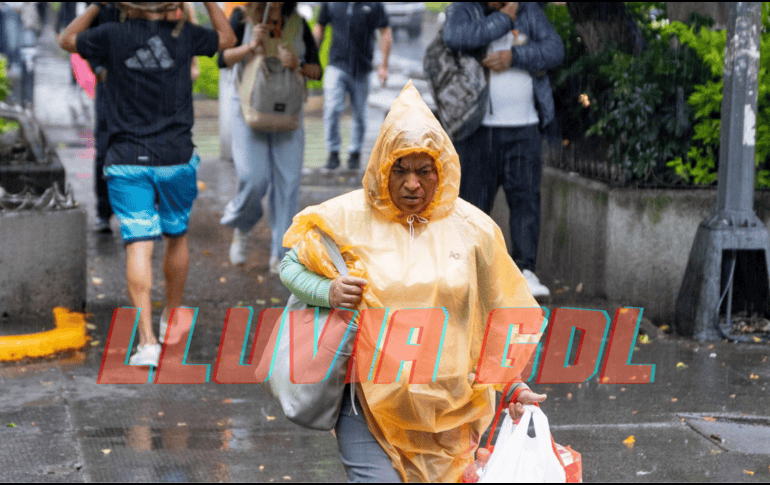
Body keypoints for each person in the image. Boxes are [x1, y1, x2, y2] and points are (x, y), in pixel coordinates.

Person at [280, 82, 546, 482]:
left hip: (450, 413)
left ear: (442, 170)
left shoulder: (474, 231)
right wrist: (328, 291)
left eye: (424, 171)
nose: (411, 184)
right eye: (400, 170)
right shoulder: (346, 219)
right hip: (366, 406)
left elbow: (496, 313)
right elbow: (291, 265)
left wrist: (510, 385)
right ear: (382, 168)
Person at [59, 2, 236, 366]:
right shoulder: (185, 36)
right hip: (176, 158)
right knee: (177, 236)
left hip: (126, 159)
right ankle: (171, 317)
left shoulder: (111, 34)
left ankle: (147, 343)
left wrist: (97, 6)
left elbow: (67, 39)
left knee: (139, 245)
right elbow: (228, 38)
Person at [443, 2, 564, 298]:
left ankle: (525, 271)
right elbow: (456, 38)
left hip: (525, 126)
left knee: (525, 201)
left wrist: (515, 57)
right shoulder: (464, 8)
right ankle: (467, 274)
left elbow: (554, 50)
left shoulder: (528, 11)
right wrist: (502, 20)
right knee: (472, 205)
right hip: (477, 129)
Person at [218, 2, 322, 271]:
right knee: (254, 179)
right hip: (249, 111)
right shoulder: (242, 18)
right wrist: (250, 46)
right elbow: (222, 59)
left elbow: (316, 70)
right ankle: (242, 226)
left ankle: (282, 253)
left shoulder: (297, 23)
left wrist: (298, 64)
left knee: (288, 184)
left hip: (288, 114)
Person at [312, 2, 391, 171]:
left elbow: (385, 31)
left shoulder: (374, 5)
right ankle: (333, 152)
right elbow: (320, 27)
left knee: (360, 115)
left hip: (362, 69)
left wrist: (384, 65)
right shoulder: (331, 4)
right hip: (336, 65)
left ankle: (355, 153)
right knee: (332, 108)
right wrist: (311, 57)